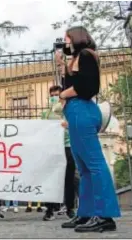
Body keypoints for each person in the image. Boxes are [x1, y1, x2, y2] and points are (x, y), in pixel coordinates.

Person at [59, 26, 120, 232]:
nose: (65, 43)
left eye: (67, 39)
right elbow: (70, 83)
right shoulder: (75, 59)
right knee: (83, 169)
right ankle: (85, 213)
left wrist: (63, 95)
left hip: (83, 111)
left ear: (76, 38)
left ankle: (104, 215)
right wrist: (63, 68)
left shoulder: (86, 55)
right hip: (76, 113)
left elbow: (88, 87)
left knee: (94, 164)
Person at [42, 85, 77, 221]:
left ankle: (70, 209)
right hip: (51, 147)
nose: (54, 97)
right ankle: (49, 209)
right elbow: (41, 129)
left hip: (68, 146)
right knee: (50, 178)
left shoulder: (68, 111)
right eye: (52, 95)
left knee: (69, 179)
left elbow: (75, 125)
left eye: (56, 95)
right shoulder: (46, 113)